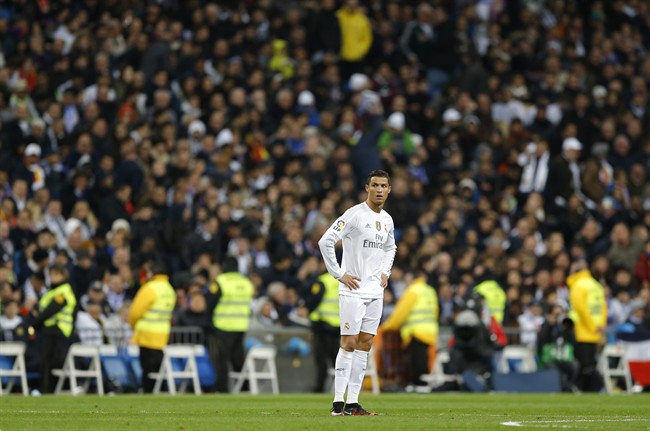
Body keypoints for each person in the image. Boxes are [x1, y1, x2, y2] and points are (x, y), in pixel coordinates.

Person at [318, 169, 396, 416]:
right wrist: (339, 274)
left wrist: (386, 272)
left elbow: (390, 247)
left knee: (365, 344)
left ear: (389, 189)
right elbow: (325, 241)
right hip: (352, 290)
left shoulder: (387, 220)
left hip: (376, 292)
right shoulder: (353, 214)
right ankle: (337, 402)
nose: (380, 190)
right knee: (349, 343)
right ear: (367, 188)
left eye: (384, 186)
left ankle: (353, 403)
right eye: (375, 185)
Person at [381, 266, 439, 392]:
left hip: (416, 331)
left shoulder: (413, 291)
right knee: (424, 359)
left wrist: (387, 326)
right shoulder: (430, 290)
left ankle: (418, 385)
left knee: (416, 361)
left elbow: (401, 313)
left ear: (412, 279)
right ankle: (423, 384)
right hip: (431, 331)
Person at [207, 256, 255, 393]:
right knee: (238, 360)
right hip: (241, 326)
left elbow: (210, 303)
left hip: (223, 326)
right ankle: (245, 389)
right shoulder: (246, 283)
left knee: (221, 360)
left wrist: (209, 323)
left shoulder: (221, 282)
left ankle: (223, 390)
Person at [128, 260, 176, 393]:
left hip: (147, 335)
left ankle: (147, 393)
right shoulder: (169, 290)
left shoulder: (150, 288)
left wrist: (133, 325)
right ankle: (161, 392)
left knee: (147, 371)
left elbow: (135, 312)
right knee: (159, 370)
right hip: (162, 335)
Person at [29, 265, 77, 393]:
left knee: (53, 361)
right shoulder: (50, 291)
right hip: (48, 330)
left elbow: (50, 310)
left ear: (64, 276)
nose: (53, 277)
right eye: (52, 275)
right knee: (46, 361)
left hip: (58, 330)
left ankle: (50, 388)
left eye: (57, 274)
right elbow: (40, 308)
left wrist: (34, 324)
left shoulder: (64, 291)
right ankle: (46, 388)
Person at [566, 259, 607, 392]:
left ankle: (578, 386)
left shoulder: (578, 285)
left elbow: (580, 308)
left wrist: (591, 326)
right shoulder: (595, 285)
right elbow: (603, 307)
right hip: (595, 330)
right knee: (589, 363)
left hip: (582, 329)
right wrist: (600, 326)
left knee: (583, 363)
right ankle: (589, 388)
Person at [304, 269, 341, 393]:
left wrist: (307, 309)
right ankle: (341, 387)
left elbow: (313, 300)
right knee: (337, 358)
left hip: (322, 324)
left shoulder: (323, 281)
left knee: (321, 358)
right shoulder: (343, 280)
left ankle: (319, 387)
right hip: (338, 325)